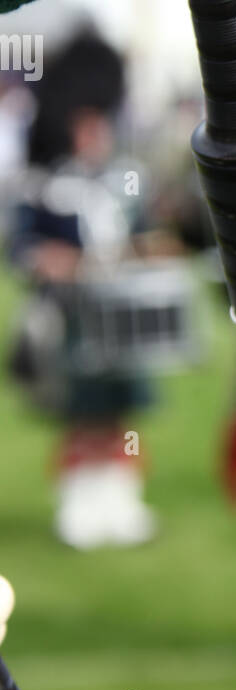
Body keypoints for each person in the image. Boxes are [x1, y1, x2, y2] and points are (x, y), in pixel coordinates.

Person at [6, 30, 158, 549]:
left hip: (123, 314)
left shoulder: (126, 181)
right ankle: (80, 500)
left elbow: (144, 239)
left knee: (119, 412)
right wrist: (51, 261)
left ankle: (121, 497)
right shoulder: (46, 185)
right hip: (71, 315)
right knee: (81, 413)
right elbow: (20, 246)